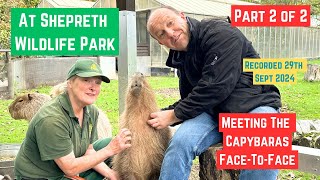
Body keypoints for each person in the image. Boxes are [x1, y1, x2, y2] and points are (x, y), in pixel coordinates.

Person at [146, 6, 282, 180]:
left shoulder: (220, 33)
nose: (171, 33)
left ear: (182, 16)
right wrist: (163, 114)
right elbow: (194, 97)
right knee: (179, 144)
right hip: (214, 112)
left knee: (264, 143)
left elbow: (216, 86)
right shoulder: (182, 57)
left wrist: (174, 114)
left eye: (171, 23)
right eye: (162, 34)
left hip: (255, 104)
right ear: (160, 42)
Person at [14, 59, 132, 180]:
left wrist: (113, 175)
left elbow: (89, 151)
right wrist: (110, 149)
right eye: (86, 80)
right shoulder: (52, 119)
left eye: (97, 82)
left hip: (69, 166)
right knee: (110, 148)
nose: (93, 87)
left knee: (111, 143)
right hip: (42, 176)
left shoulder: (91, 111)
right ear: (70, 83)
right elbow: (70, 168)